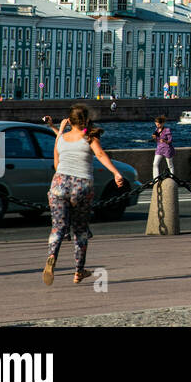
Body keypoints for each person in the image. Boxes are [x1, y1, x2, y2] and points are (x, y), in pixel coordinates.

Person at [43, 104, 126, 286]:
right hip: (81, 185)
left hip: (59, 184)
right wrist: (116, 172)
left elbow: (57, 164)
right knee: (80, 230)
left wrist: (59, 130)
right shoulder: (90, 137)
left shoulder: (62, 138)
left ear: (69, 120)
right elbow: (101, 154)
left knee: (58, 228)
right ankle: (78, 271)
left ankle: (51, 257)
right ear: (86, 120)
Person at [151, 115, 173, 180]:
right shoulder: (156, 130)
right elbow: (157, 140)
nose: (157, 126)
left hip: (167, 149)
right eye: (156, 124)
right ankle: (156, 179)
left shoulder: (167, 130)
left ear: (162, 123)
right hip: (159, 149)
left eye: (158, 124)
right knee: (155, 164)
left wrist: (164, 141)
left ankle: (172, 178)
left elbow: (170, 140)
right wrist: (154, 137)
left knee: (170, 165)